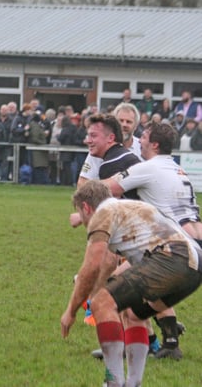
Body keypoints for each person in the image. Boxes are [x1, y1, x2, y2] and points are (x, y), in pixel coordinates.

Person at [61, 180, 202, 387]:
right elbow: (124, 261)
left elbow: (93, 266)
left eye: (81, 214)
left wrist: (71, 311)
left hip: (173, 258)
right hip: (194, 265)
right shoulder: (130, 207)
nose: (82, 221)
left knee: (102, 303)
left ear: (86, 207)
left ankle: (113, 383)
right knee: (133, 314)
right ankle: (133, 383)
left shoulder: (101, 214)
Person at [101, 122, 200, 359]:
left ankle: (136, 343)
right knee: (142, 288)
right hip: (194, 243)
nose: (139, 140)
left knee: (119, 284)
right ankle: (168, 337)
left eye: (143, 136)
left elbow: (108, 188)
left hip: (176, 247)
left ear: (154, 144)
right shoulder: (176, 168)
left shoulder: (149, 168)